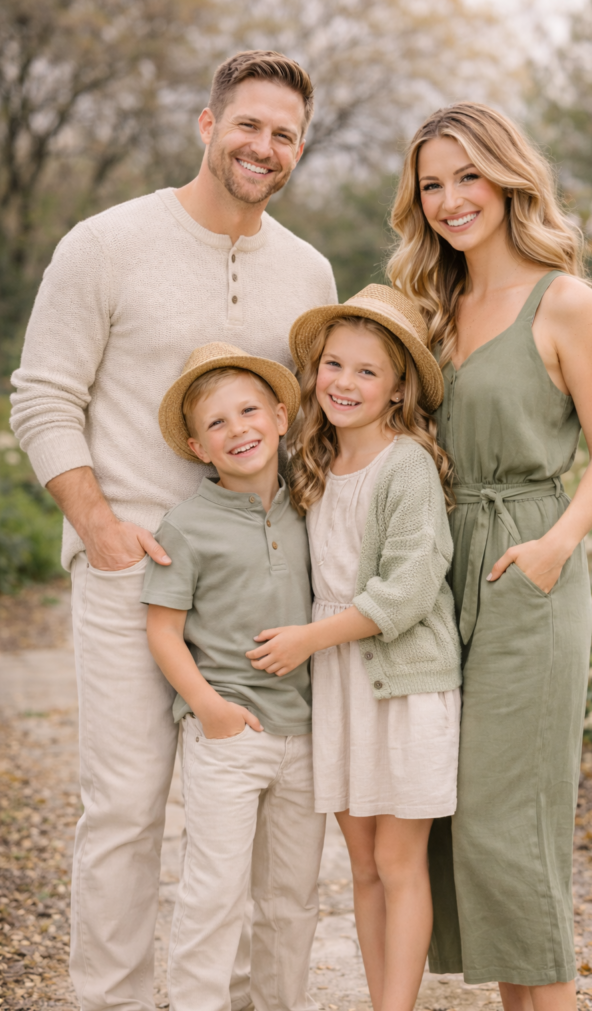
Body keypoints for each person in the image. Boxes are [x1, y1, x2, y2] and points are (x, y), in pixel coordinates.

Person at [9, 50, 336, 1011]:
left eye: (284, 135)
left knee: (250, 809)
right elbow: (43, 397)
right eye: (248, 125)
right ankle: (109, 1000)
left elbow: (309, 425)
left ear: (299, 148)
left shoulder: (307, 270)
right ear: (207, 125)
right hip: (132, 569)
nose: (263, 146)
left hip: (253, 589)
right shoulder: (105, 244)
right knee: (124, 806)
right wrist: (98, 523)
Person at [388, 103, 592, 1011]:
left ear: (507, 178)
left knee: (511, 824)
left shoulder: (564, 302)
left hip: (525, 563)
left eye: (468, 176)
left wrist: (554, 547)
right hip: (438, 570)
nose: (451, 199)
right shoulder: (428, 308)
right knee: (459, 823)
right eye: (431, 184)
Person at [244, 284, 462, 1011]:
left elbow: (408, 591)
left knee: (398, 861)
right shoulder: (311, 462)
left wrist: (309, 638)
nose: (343, 382)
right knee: (362, 863)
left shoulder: (407, 466)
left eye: (367, 371)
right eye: (333, 365)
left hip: (403, 685)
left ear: (398, 388)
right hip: (338, 686)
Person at [143, 342, 325, 1011]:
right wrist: (209, 709)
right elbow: (163, 631)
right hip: (228, 734)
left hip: (305, 732)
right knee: (214, 892)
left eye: (249, 411)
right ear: (197, 447)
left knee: (291, 897)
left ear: (279, 417)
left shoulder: (311, 502)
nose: (237, 430)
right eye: (216, 423)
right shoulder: (187, 526)